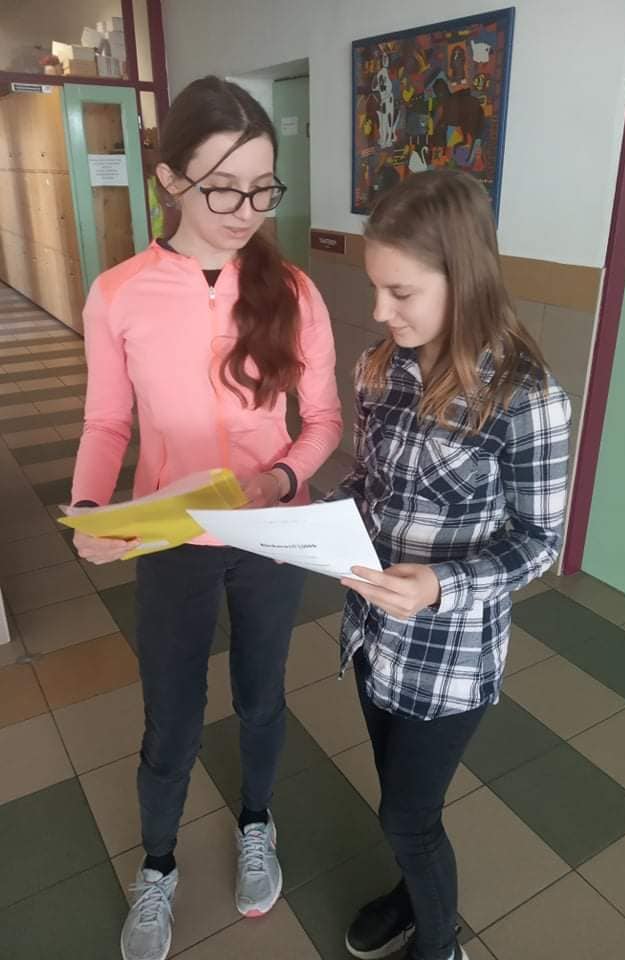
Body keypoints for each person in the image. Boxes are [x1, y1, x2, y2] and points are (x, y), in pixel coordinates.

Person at [69, 76, 342, 960]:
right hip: (173, 539)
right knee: (173, 720)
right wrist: (88, 508)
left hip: (269, 534)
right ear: (169, 180)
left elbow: (323, 419)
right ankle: (158, 866)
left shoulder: (294, 291)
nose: (245, 211)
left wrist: (284, 478)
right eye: (223, 188)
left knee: (263, 697)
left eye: (263, 189)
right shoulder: (119, 293)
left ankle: (257, 820)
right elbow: (107, 422)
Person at [330, 169, 571, 960]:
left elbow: (538, 541)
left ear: (461, 280)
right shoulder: (378, 369)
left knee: (407, 815)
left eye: (399, 291)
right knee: (399, 802)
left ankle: (439, 946)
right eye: (375, 287)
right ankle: (411, 895)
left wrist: (440, 584)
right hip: (372, 633)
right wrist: (312, 520)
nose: (379, 311)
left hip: (449, 656)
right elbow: (366, 484)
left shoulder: (527, 399)